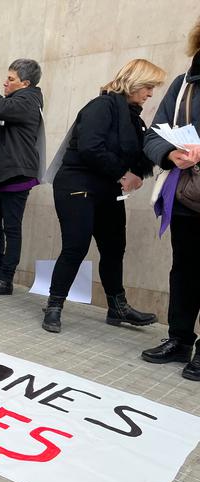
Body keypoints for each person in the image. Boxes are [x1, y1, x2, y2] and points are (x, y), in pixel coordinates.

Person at [43, 59, 166, 334]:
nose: (150, 93)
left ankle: (117, 307)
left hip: (106, 188)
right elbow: (90, 147)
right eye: (147, 86)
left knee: (114, 247)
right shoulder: (102, 106)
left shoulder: (133, 118)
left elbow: (139, 157)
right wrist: (124, 174)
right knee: (76, 245)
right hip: (77, 183)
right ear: (133, 82)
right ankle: (54, 305)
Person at [141, 22, 200, 381]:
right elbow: (153, 135)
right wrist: (168, 155)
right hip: (185, 196)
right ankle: (179, 340)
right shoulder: (183, 86)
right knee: (184, 271)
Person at [0, 59, 45, 295]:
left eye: (11, 79)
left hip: (17, 173)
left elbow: (1, 108)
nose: (5, 82)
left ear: (25, 83)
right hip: (4, 174)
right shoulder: (19, 99)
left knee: (11, 228)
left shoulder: (27, 100)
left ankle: (6, 279)